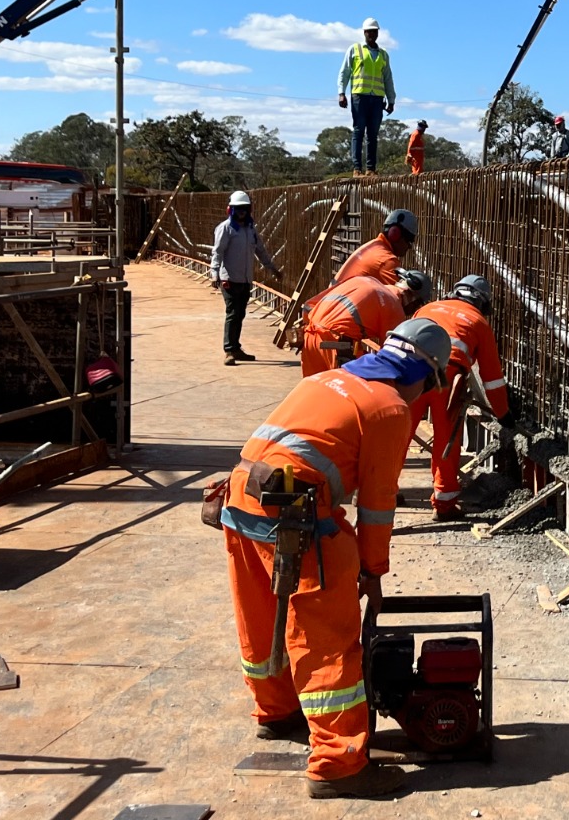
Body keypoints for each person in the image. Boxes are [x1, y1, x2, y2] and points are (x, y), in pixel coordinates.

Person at [221, 317, 450, 799]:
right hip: (296, 516)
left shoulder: (325, 378)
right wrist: (371, 572)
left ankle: (276, 712)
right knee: (327, 634)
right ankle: (337, 763)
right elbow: (377, 505)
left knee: (261, 616)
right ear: (421, 376)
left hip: (240, 495)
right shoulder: (388, 408)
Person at [408, 275, 510, 518]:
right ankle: (444, 504)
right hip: (448, 378)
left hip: (409, 373)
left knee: (397, 435)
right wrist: (503, 413)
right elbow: (492, 378)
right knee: (446, 441)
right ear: (482, 303)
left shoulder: (427, 308)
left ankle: (380, 492)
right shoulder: (478, 322)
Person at [298, 269, 431, 377]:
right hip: (338, 345)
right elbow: (391, 354)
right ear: (410, 296)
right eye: (417, 304)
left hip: (310, 336)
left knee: (314, 393)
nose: (414, 310)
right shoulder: (394, 307)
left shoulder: (360, 280)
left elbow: (309, 305)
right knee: (341, 398)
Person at [210, 190, 280, 366]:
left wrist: (272, 268)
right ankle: (229, 350)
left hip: (245, 279)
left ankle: (236, 348)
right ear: (231, 210)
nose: (242, 212)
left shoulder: (250, 230)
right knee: (233, 314)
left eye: (244, 209)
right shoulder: (225, 228)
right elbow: (217, 252)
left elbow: (260, 251)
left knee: (240, 314)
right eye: (238, 209)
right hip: (229, 279)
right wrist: (214, 273)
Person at [336, 17, 396, 175]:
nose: (372, 34)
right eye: (369, 31)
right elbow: (345, 72)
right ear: (364, 33)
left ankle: (371, 169)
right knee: (358, 131)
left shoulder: (383, 55)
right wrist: (341, 93)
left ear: (378, 33)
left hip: (377, 99)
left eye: (374, 32)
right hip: (359, 97)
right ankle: (357, 168)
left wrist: (391, 100)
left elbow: (388, 78)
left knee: (373, 135)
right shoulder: (355, 49)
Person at [334, 209, 418, 286]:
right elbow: (398, 299)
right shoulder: (386, 261)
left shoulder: (373, 246)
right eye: (409, 241)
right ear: (395, 235)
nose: (409, 247)